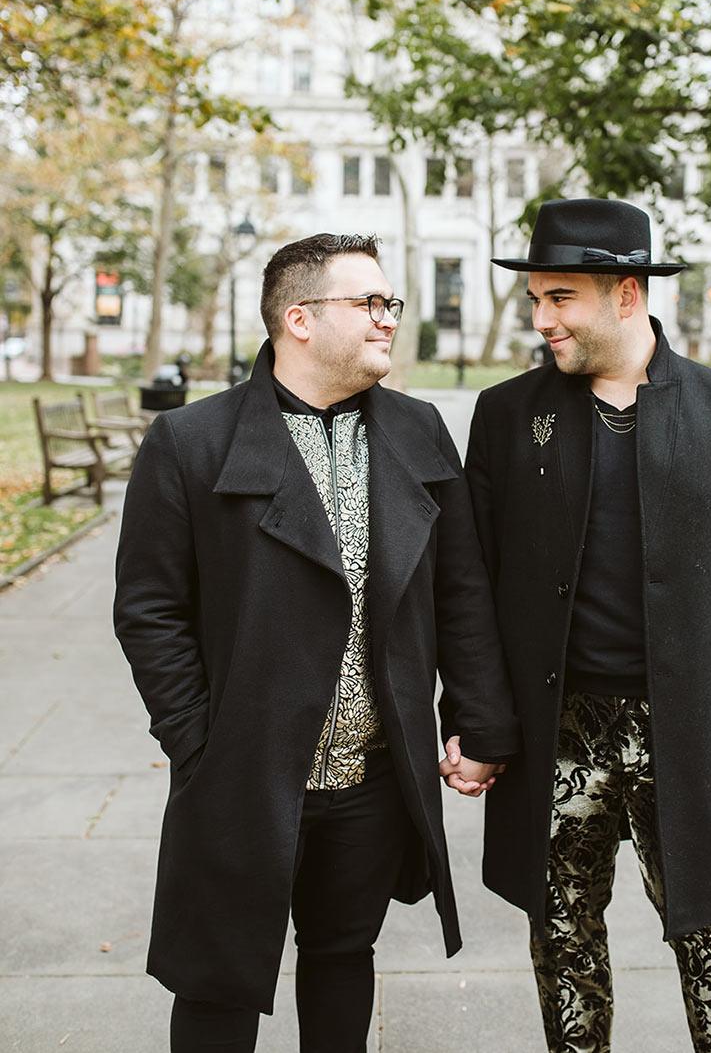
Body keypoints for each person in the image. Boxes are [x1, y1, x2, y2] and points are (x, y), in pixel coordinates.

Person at [114, 232, 517, 1053]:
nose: (386, 320)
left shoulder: (418, 430)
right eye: (367, 303)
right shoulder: (190, 443)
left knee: (341, 958)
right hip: (241, 774)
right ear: (298, 318)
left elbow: (462, 591)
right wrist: (197, 742)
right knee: (218, 981)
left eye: (388, 303)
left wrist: (478, 717)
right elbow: (149, 610)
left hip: (371, 774)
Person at [450, 198, 711, 1053]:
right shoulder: (505, 413)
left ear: (628, 294)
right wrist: (482, 719)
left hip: (691, 733)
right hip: (555, 729)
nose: (542, 320)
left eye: (560, 298)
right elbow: (470, 583)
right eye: (535, 300)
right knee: (564, 942)